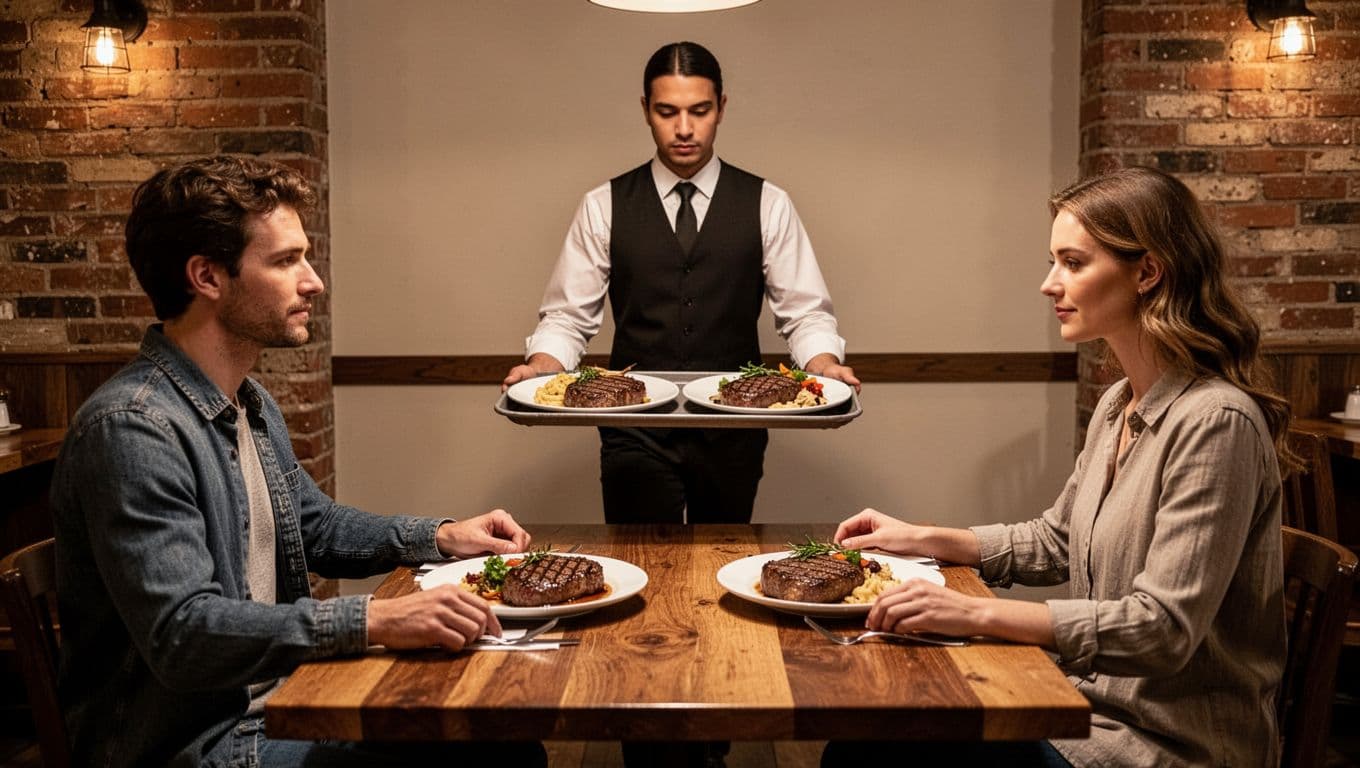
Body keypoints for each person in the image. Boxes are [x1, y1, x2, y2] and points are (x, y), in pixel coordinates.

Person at [51, 156, 546, 768]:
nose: (313, 282)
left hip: (276, 706)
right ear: (207, 276)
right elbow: (184, 634)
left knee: (503, 741)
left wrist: (441, 536)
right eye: (286, 261)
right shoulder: (132, 429)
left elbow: (314, 527)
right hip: (199, 744)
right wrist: (375, 620)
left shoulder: (247, 401)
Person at [823, 166, 1296, 767]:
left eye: (1073, 263)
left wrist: (975, 613)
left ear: (1147, 272)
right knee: (869, 735)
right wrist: (924, 538)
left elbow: (1163, 629)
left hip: (1165, 747)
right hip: (1082, 709)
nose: (1049, 284)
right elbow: (1059, 540)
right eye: (1054, 262)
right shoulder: (1120, 403)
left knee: (871, 751)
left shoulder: (1216, 422)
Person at [503, 41, 860, 526]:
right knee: (641, 558)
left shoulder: (768, 203)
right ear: (646, 110)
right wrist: (540, 367)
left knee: (722, 559)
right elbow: (568, 317)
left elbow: (805, 313)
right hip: (633, 424)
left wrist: (824, 366)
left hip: (737, 423)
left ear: (721, 108)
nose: (685, 129)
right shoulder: (603, 204)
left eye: (700, 111)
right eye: (668, 112)